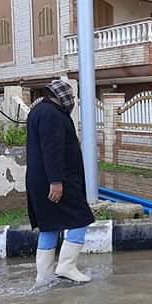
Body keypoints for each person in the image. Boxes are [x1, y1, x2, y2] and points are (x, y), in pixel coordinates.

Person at [27, 79, 95, 286]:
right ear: (61, 96)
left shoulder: (38, 111)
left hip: (39, 180)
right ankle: (66, 266)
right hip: (57, 180)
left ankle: (44, 276)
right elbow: (52, 149)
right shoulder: (52, 115)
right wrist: (56, 182)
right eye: (71, 97)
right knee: (81, 218)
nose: (72, 101)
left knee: (49, 226)